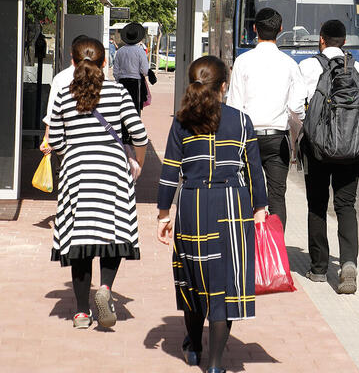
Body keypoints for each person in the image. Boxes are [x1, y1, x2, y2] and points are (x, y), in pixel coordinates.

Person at [157, 56, 268, 372]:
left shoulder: (182, 122)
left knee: (193, 277)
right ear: (223, 86)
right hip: (233, 205)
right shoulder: (242, 121)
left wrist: (163, 214)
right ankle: (216, 365)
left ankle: (194, 347)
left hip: (193, 203)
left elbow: (170, 171)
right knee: (224, 284)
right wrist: (260, 207)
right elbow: (254, 171)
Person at [45, 37, 147, 329]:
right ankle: (105, 288)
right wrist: (138, 163)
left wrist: (74, 152)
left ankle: (80, 312)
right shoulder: (118, 92)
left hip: (76, 171)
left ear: (73, 61)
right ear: (105, 62)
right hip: (112, 171)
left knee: (80, 240)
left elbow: (56, 140)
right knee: (112, 233)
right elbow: (139, 134)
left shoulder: (64, 94)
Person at [298, 19, 359, 294]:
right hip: (351, 151)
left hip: (317, 150)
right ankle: (348, 263)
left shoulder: (308, 66)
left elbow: (296, 107)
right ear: (344, 42)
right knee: (346, 205)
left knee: (317, 205)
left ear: (321, 39)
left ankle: (319, 269)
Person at [227, 7, 308, 229]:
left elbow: (234, 106)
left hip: (248, 138)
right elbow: (296, 108)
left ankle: (250, 243)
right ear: (280, 29)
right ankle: (275, 246)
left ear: (255, 29)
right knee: (277, 196)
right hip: (277, 139)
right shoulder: (290, 64)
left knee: (247, 193)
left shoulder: (243, 61)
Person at [112, 22, 150, 113]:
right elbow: (145, 71)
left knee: (122, 108)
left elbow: (115, 70)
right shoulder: (140, 51)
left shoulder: (120, 51)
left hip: (122, 82)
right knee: (135, 108)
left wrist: (118, 80)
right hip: (136, 83)